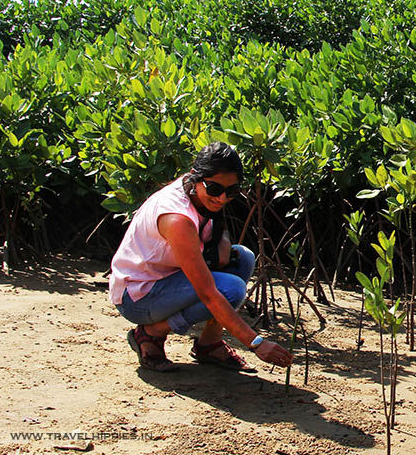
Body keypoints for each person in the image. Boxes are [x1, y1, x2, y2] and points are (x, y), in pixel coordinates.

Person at [109, 142, 292, 372]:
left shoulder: (196, 189)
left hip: (170, 278)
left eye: (231, 191)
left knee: (243, 258)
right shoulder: (177, 218)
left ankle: (209, 344)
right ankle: (151, 333)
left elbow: (215, 227)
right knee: (231, 289)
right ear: (196, 177)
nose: (222, 198)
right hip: (137, 297)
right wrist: (256, 343)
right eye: (215, 189)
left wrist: (223, 242)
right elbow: (207, 293)